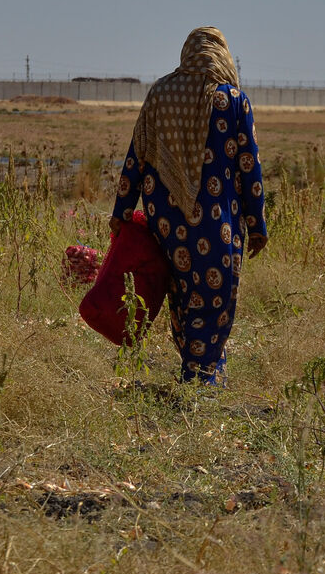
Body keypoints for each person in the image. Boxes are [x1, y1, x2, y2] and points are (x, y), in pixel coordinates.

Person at [110, 27, 267, 384]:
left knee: (181, 289)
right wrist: (258, 225)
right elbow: (249, 168)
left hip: (164, 218)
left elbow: (136, 155)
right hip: (217, 218)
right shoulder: (233, 100)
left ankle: (200, 369)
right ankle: (202, 375)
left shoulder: (160, 94)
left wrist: (121, 211)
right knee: (216, 292)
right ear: (221, 54)